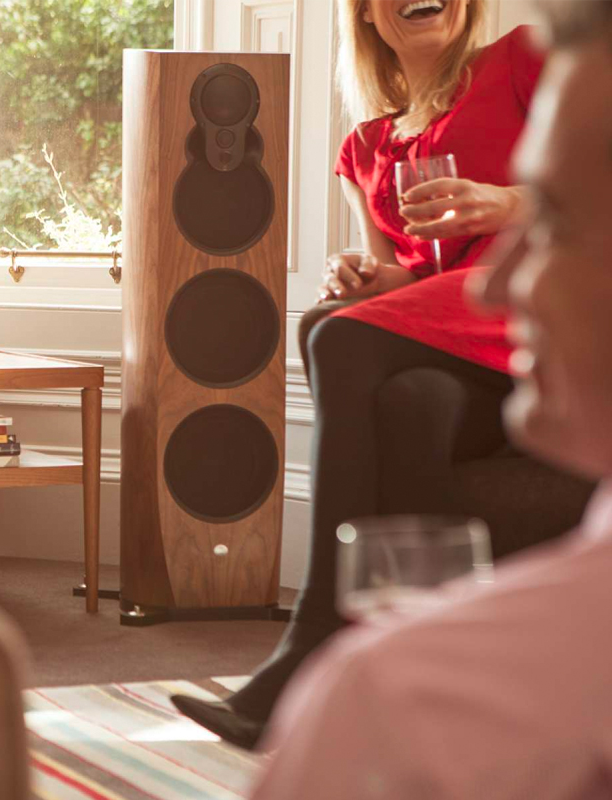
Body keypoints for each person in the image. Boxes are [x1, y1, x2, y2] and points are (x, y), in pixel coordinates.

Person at [174, 0, 594, 749]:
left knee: (328, 337)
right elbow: (406, 277)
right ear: (366, 14)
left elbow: (596, 186)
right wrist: (367, 276)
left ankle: (314, 639)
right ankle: (421, 674)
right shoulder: (363, 147)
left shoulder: (519, 63)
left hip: (524, 317)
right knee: (408, 401)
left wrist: (502, 202)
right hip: (448, 349)